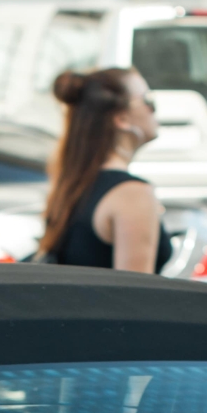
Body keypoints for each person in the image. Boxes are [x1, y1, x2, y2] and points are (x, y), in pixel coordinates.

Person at [39, 68, 169, 272]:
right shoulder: (132, 193)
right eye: (147, 100)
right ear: (122, 119)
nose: (153, 110)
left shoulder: (75, 183)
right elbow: (135, 296)